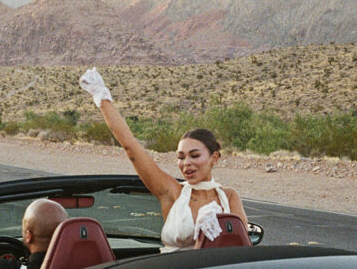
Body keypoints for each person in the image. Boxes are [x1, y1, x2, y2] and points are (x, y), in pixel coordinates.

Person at [79, 67, 247, 252]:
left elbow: (243, 247)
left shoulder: (228, 196)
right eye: (180, 157)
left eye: (195, 155)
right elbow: (131, 146)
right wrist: (101, 97)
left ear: (214, 157)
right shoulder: (173, 192)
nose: (186, 163)